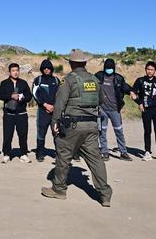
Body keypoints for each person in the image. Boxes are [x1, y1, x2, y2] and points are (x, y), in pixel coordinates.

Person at [41, 49, 112, 207]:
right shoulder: (94, 80)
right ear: (85, 63)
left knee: (63, 156)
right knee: (95, 159)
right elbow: (101, 100)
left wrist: (54, 123)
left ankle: (59, 189)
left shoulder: (69, 80)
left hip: (73, 125)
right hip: (92, 125)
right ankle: (105, 194)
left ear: (71, 63)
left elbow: (59, 103)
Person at [95, 58, 133, 161]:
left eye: (111, 68)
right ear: (104, 68)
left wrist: (131, 92)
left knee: (119, 131)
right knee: (102, 131)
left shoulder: (118, 78)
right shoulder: (99, 76)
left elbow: (125, 87)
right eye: (107, 68)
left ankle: (123, 152)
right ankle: (104, 152)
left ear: (114, 68)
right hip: (102, 109)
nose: (109, 70)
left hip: (115, 110)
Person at [131, 61, 156, 161]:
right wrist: (139, 103)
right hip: (146, 109)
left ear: (155, 71)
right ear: (145, 70)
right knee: (147, 131)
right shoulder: (140, 81)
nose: (149, 71)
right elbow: (133, 93)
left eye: (152, 69)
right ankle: (147, 152)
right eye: (148, 69)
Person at [0, 63, 33, 163]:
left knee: (23, 134)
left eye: (17, 70)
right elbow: (0, 95)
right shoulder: (4, 83)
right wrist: (10, 96)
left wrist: (22, 98)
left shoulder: (23, 83)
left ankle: (23, 153)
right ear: (9, 72)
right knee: (8, 135)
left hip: (21, 113)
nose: (15, 72)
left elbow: (29, 96)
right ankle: (6, 153)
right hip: (9, 114)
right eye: (13, 70)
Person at [32, 59, 60, 162]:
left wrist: (53, 107)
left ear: (51, 69)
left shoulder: (56, 80)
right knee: (41, 133)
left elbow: (60, 95)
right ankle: (40, 153)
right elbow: (35, 94)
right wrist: (45, 105)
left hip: (54, 111)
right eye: (44, 68)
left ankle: (59, 154)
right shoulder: (38, 80)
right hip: (42, 111)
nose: (46, 70)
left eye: (48, 68)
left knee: (57, 133)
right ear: (42, 69)